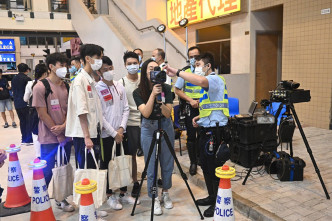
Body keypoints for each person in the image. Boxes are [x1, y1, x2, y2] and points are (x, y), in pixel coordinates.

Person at [164, 53, 229, 218]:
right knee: (206, 167)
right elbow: (212, 106)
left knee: (214, 168)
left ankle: (217, 203)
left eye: (198, 64)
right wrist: (199, 118)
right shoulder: (209, 85)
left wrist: (177, 72)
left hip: (215, 132)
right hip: (206, 129)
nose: (196, 67)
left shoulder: (214, 79)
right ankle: (211, 196)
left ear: (208, 66)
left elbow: (199, 80)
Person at [95, 56, 140, 210]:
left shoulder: (119, 86)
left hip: (122, 132)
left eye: (110, 68)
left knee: (124, 163)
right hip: (107, 135)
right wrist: (114, 133)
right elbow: (99, 115)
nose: (108, 72)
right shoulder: (97, 88)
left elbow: (126, 108)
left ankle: (123, 193)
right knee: (107, 164)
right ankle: (109, 195)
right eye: (104, 70)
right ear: (99, 72)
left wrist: (121, 128)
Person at [32, 52, 74, 212]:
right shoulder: (41, 86)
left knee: (63, 168)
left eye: (66, 65)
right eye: (61, 65)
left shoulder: (66, 86)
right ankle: (41, 199)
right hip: (49, 138)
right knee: (47, 170)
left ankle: (61, 199)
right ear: (51, 66)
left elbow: (71, 110)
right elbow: (42, 113)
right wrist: (57, 131)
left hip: (65, 135)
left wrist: (64, 127)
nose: (65, 68)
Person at [133, 58, 175, 216]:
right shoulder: (138, 92)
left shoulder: (167, 88)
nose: (153, 71)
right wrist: (153, 94)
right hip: (148, 127)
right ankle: (154, 197)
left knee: (167, 162)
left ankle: (165, 192)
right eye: (150, 68)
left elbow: (167, 112)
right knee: (151, 165)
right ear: (144, 72)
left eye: (156, 68)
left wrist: (160, 99)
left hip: (165, 125)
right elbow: (145, 113)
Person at [65, 44, 104, 169]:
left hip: (92, 132)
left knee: (92, 168)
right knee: (86, 171)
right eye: (98, 57)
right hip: (84, 136)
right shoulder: (79, 81)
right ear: (88, 58)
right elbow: (81, 111)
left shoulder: (90, 79)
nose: (100, 61)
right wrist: (87, 137)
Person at [174, 46, 201, 175]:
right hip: (191, 106)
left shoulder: (206, 71)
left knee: (204, 134)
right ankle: (193, 162)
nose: (194, 59)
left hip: (204, 106)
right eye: (191, 57)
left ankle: (202, 159)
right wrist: (191, 100)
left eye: (196, 56)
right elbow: (177, 90)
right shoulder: (184, 72)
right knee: (191, 136)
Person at [119, 51, 142, 197]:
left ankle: (154, 179)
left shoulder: (144, 81)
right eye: (129, 64)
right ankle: (135, 182)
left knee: (151, 154)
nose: (132, 66)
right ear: (125, 65)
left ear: (139, 63)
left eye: (135, 63)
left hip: (146, 122)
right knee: (131, 156)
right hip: (130, 124)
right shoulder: (120, 83)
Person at [24, 64, 48, 158]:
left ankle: (38, 155)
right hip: (47, 111)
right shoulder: (47, 83)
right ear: (46, 73)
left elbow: (25, 99)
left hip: (34, 111)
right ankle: (48, 154)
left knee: (35, 133)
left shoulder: (30, 84)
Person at [11, 63, 33, 144]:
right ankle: (29, 139)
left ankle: (23, 138)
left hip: (17, 103)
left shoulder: (14, 79)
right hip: (25, 103)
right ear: (27, 70)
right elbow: (30, 92)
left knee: (22, 121)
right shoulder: (27, 79)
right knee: (28, 121)